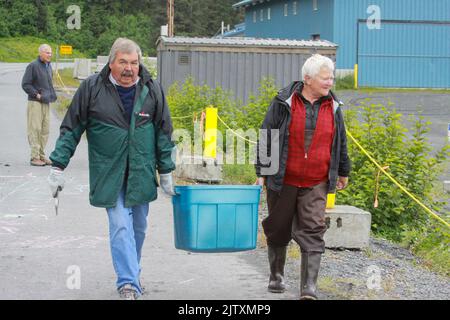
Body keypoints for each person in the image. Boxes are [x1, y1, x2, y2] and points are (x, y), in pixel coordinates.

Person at [46, 38, 176, 300]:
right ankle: (128, 283)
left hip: (140, 173)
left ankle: (132, 272)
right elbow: (71, 128)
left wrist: (166, 170)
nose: (129, 69)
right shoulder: (92, 88)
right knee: (120, 226)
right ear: (111, 63)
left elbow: (164, 132)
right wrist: (58, 166)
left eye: (134, 63)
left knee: (138, 228)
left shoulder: (152, 89)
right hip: (109, 173)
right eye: (123, 62)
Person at [255, 54, 351, 300]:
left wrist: (343, 170)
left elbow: (340, 139)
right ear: (307, 79)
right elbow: (268, 135)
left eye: (331, 77)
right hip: (283, 178)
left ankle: (309, 287)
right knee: (278, 228)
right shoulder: (283, 102)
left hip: (316, 181)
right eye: (325, 77)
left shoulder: (333, 106)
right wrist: (262, 172)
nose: (330, 82)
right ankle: (276, 276)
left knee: (313, 229)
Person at [21, 44, 57, 166]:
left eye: (51, 53)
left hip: (46, 102)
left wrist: (51, 96)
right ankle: (34, 157)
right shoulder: (33, 66)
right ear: (40, 53)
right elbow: (25, 84)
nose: (50, 55)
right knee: (35, 129)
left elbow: (49, 84)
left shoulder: (48, 66)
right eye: (47, 52)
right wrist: (37, 95)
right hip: (35, 102)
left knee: (45, 130)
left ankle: (41, 155)